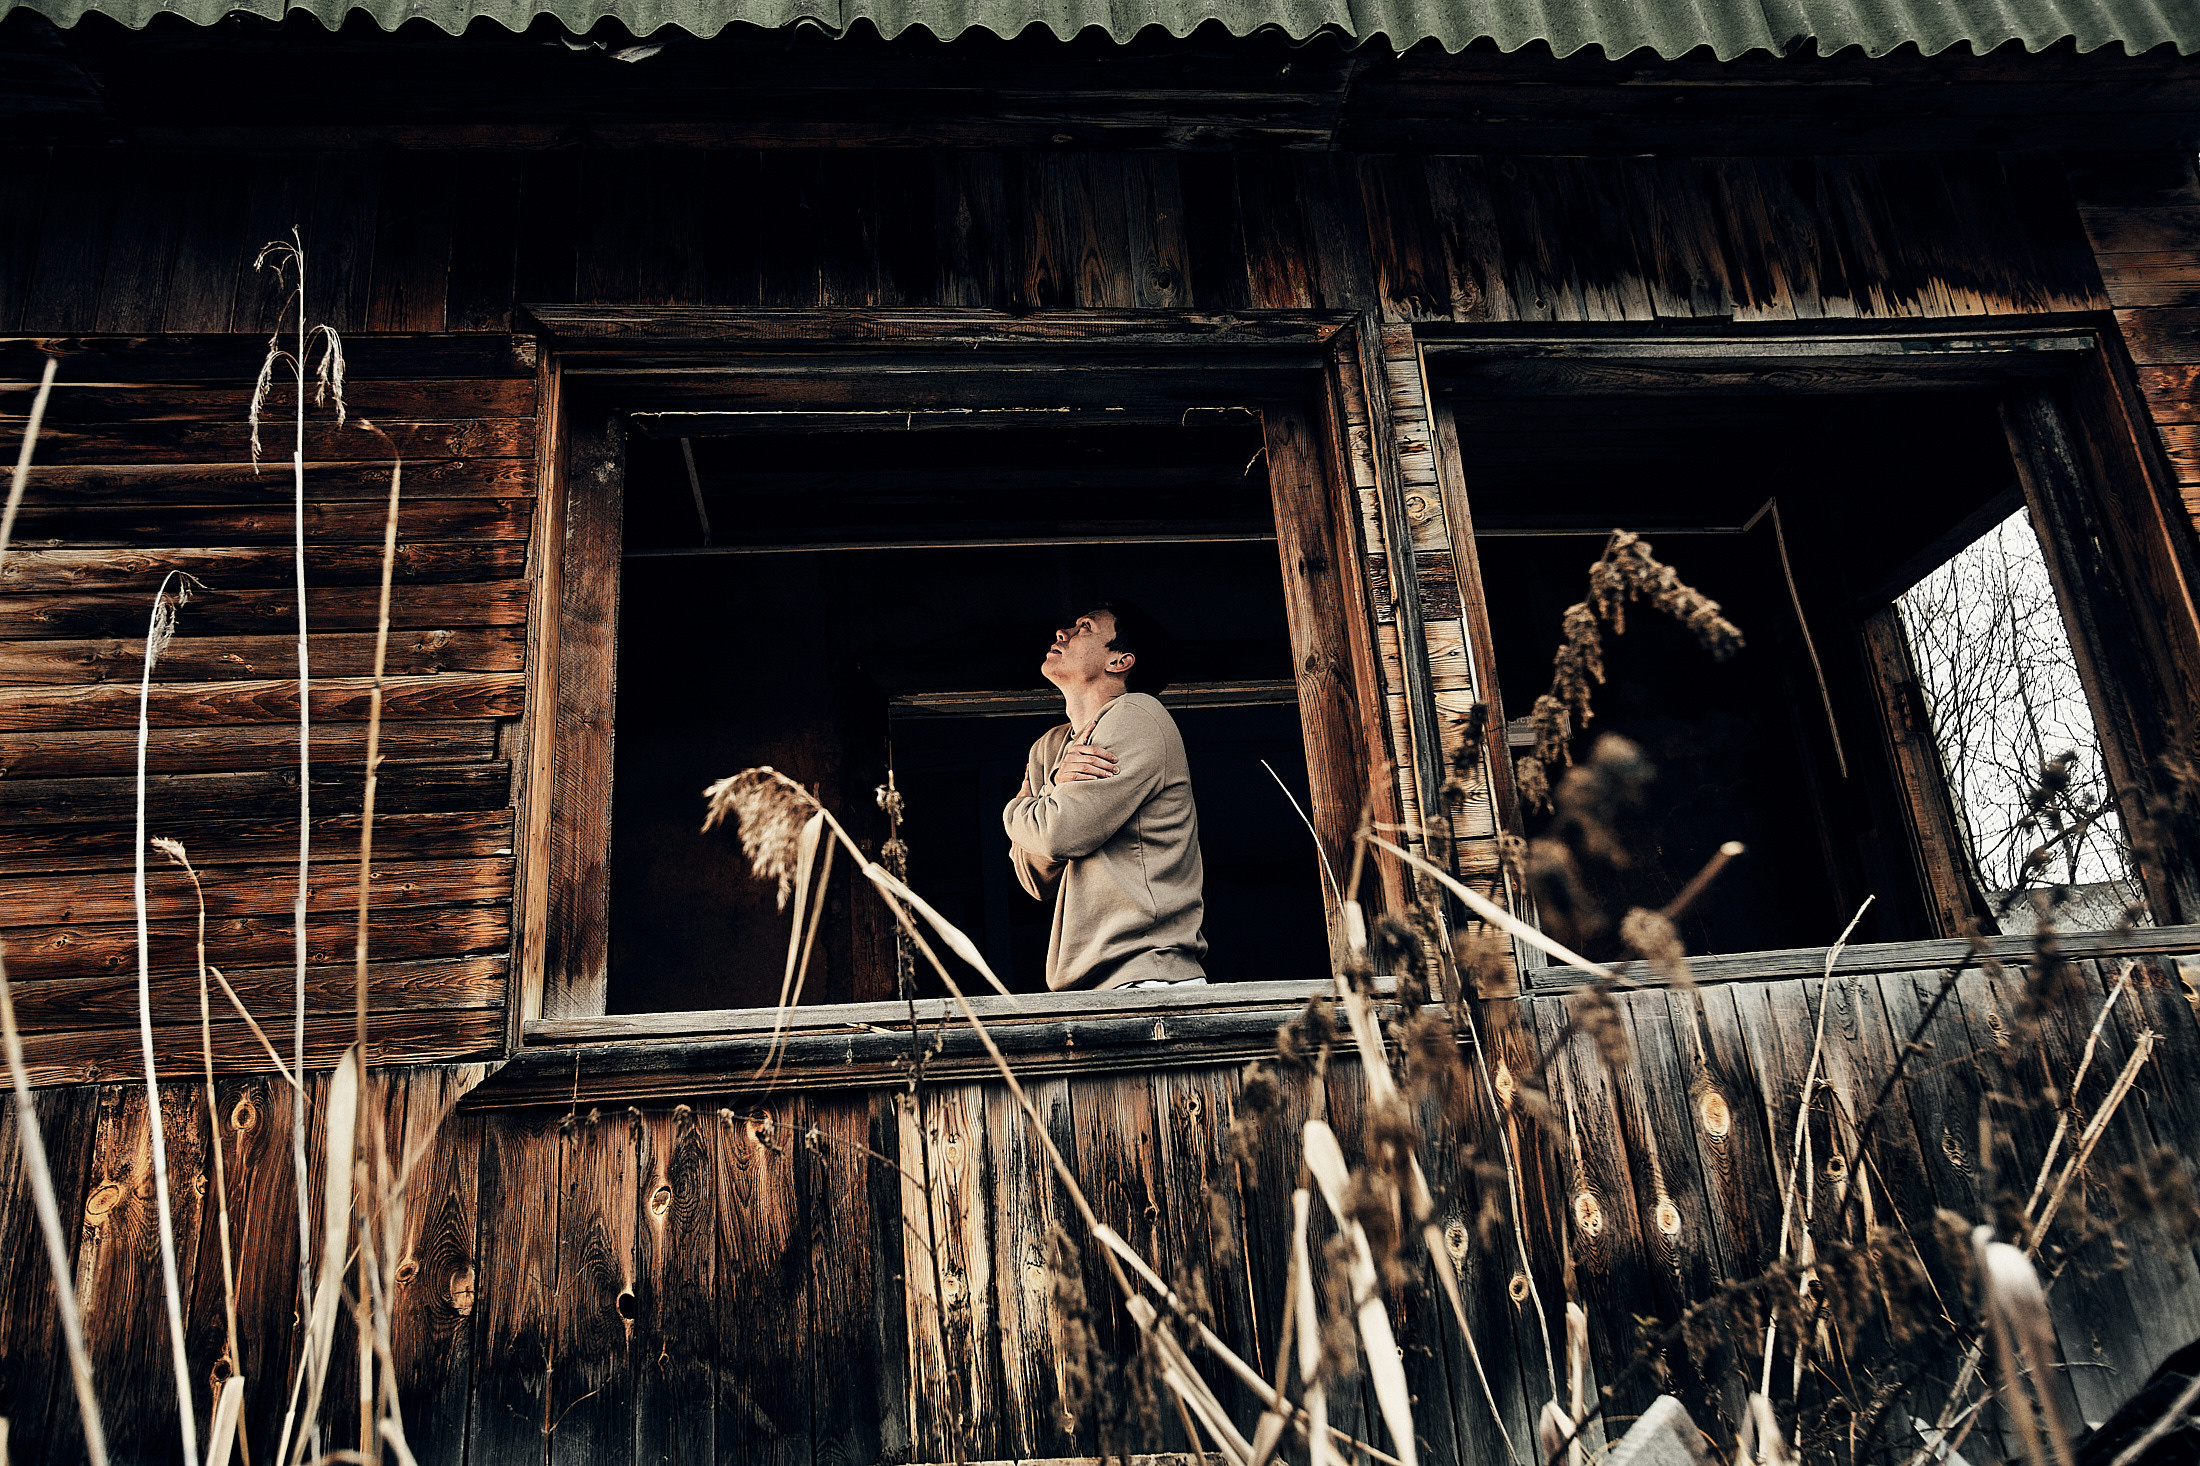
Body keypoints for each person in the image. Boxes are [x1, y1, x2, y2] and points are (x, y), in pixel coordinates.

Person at [1002, 601, 1209, 991]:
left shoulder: (1138, 713)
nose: (1062, 633)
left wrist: (1017, 810)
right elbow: (1033, 877)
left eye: (1085, 628)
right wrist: (1054, 792)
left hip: (1147, 975)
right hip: (1091, 987)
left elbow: (1058, 835)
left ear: (1120, 661)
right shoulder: (1050, 748)